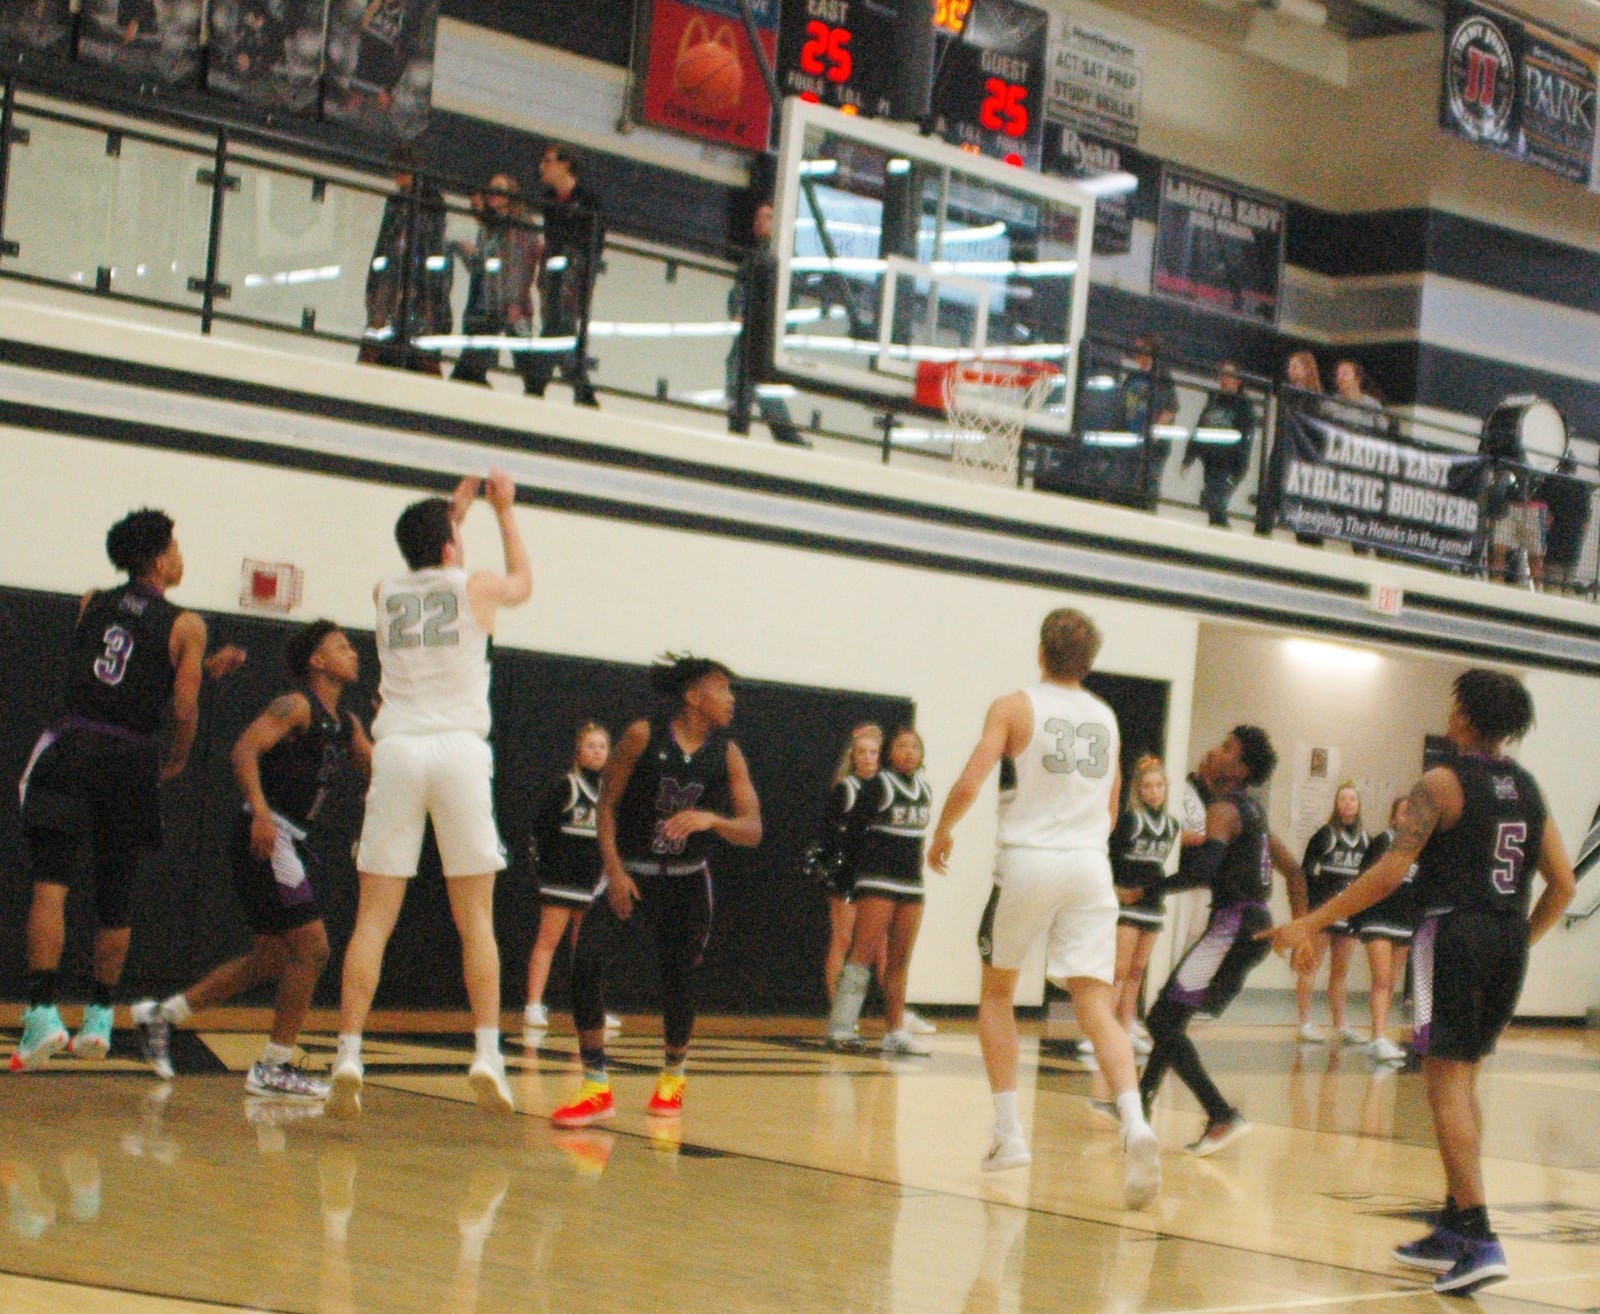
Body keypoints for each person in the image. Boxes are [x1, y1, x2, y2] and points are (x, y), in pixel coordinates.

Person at [1266, 671, 1576, 1295]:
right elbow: (1564, 885)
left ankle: (1481, 1233)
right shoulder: (1528, 787)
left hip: (1451, 936)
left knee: (1445, 1083)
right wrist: (1518, 941)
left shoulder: (1442, 782)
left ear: (1464, 715)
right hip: (1507, 940)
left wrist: (1313, 921)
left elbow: (1389, 872)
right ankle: (1457, 1221)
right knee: (1461, 1080)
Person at [927, 608, 1161, 1209]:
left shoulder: (1013, 706)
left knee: (999, 992)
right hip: (1090, 867)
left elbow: (972, 780)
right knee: (1095, 1004)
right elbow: (1112, 812)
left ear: (1041, 650)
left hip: (1029, 860)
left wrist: (944, 830)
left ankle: (1009, 1136)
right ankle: (1134, 1122)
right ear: (1090, 660)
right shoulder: (1107, 717)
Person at [327, 470, 532, 1119]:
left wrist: (454, 513)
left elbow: (430, 561)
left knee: (372, 919)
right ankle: (487, 1052)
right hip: (460, 752)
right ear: (451, 547)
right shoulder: (476, 586)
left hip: (398, 751)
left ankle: (348, 1053)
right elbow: (522, 583)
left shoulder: (384, 589)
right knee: (477, 918)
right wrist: (503, 511)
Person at [130, 621, 372, 1096]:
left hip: (292, 836)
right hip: (269, 831)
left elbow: (376, 767)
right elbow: (244, 749)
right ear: (317, 662)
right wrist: (261, 811)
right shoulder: (296, 705)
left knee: (272, 956)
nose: (353, 653)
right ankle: (274, 1066)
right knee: (314, 949)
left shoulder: (348, 724)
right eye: (341, 646)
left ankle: (163, 1015)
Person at [13, 510, 213, 1070]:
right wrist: (173, 757)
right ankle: (100, 1017)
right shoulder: (188, 625)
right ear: (158, 560)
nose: (181, 556)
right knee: (116, 890)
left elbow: (115, 666)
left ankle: (42, 1013)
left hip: (74, 744)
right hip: (130, 757)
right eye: (175, 547)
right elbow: (182, 707)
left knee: (51, 883)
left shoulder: (91, 598)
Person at [549, 655, 762, 1128]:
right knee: (584, 963)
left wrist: (713, 819)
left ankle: (672, 1080)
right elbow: (606, 806)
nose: (731, 698)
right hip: (634, 873)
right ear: (693, 695)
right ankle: (594, 1086)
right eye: (723, 687)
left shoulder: (726, 751)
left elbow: (753, 829)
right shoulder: (643, 736)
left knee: (678, 980)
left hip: (688, 880)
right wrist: (616, 871)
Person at [1137, 725, 1308, 1155]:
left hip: (1232, 926)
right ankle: (1137, 1105)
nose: (1215, 750)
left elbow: (1201, 873)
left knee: (1161, 1020)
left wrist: (1145, 891)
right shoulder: (1253, 814)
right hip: (1250, 926)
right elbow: (1295, 871)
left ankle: (1221, 1114)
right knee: (1169, 1019)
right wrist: (1302, 928)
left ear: (1242, 768)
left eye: (1227, 748)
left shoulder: (1225, 811)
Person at [825, 727, 936, 1056]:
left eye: (915, 746)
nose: (909, 752)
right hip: (878, 880)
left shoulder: (925, 789)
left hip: (912, 882)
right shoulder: (878, 785)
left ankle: (896, 1031)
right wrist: (853, 873)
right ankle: (841, 1027)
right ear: (889, 753)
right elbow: (854, 830)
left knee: (900, 960)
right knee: (862, 954)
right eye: (902, 746)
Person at [522, 722, 617, 1032]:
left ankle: (589, 1009)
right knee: (548, 941)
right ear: (578, 751)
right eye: (591, 746)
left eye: (602, 746)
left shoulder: (609, 794)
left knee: (586, 950)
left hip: (592, 884)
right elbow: (540, 830)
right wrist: (545, 868)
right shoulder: (567, 786)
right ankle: (534, 1005)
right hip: (561, 881)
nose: (597, 751)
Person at [1108, 756, 1188, 1055]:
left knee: (1137, 971)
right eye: (1147, 786)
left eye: (1159, 786)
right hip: (1127, 902)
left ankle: (1125, 1030)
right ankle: (1100, 1034)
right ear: (1138, 790)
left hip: (1153, 904)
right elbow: (1110, 857)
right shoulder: (1129, 819)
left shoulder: (1171, 825)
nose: (1154, 791)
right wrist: (1116, 890)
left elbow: (1158, 869)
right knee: (1119, 970)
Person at [524, 143, 602, 408]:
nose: (542, 167)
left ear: (565, 165)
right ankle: (583, 391)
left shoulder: (589, 201)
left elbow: (590, 245)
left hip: (573, 274)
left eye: (548, 161)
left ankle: (536, 384)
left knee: (558, 327)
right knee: (559, 329)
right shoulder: (548, 199)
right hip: (554, 272)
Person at [811, 723, 883, 1008]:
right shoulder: (846, 789)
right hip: (848, 874)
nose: (867, 757)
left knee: (883, 947)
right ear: (853, 756)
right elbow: (828, 834)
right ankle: (838, 1008)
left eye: (873, 752)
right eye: (862, 752)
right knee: (843, 940)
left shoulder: (886, 787)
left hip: (877, 875)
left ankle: (897, 1014)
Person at [360, 149, 451, 375]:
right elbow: (382, 242)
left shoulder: (431, 202)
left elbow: (433, 247)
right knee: (380, 337)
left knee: (416, 345)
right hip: (391, 280)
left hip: (418, 285)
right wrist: (373, 284)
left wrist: (428, 287)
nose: (396, 176)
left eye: (401, 170)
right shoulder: (396, 201)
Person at [450, 173, 543, 391]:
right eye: (491, 188)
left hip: (511, 307)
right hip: (490, 307)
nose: (493, 193)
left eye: (499, 188)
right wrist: (466, 252)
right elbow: (481, 268)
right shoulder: (489, 228)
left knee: (526, 363)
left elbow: (520, 267)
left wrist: (512, 301)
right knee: (472, 365)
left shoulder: (521, 224)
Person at [727, 200, 808, 447]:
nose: (761, 221)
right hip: (750, 336)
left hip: (763, 337)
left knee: (755, 386)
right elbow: (737, 292)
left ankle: (786, 439)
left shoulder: (780, 259)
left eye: (768, 217)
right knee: (742, 385)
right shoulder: (754, 258)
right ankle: (752, 434)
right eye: (758, 217)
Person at [1295, 782, 1369, 1044]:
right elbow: (1304, 873)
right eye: (1343, 799)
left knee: (1340, 972)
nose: (1348, 803)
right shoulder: (1325, 835)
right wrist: (1311, 911)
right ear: (1336, 805)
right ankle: (1304, 1023)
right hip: (1325, 911)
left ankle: (1342, 1026)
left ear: (1359, 805)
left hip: (1349, 914)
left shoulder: (1365, 838)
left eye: (1353, 799)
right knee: (1311, 967)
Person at [1346, 796, 1418, 1064]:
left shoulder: (1419, 849)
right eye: (1404, 812)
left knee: (1392, 982)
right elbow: (1366, 881)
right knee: (1382, 978)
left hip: (1404, 921)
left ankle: (1381, 1036)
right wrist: (1357, 917)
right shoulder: (1383, 841)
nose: (1410, 818)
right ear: (1394, 818)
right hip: (1377, 919)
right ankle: (1377, 1036)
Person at [1258, 349, 1325, 540]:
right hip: (1281, 450)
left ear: (1306, 369)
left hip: (1301, 456)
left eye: (1295, 366)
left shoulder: (1314, 399)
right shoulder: (1287, 394)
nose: (1291, 371)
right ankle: (1263, 532)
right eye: (1289, 367)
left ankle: (1307, 537)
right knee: (1270, 496)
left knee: (1301, 503)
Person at [1182, 361, 1255, 528]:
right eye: (1222, 375)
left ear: (1238, 381)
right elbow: (1200, 429)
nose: (1224, 379)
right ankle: (1218, 533)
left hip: (1228, 464)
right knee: (1212, 506)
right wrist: (1188, 458)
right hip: (1211, 462)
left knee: (1216, 505)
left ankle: (1222, 536)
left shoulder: (1244, 406)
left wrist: (1239, 469)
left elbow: (1245, 440)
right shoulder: (1213, 400)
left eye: (1229, 375)